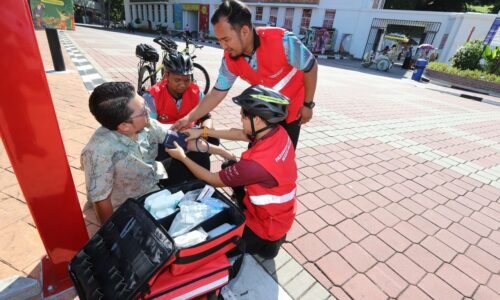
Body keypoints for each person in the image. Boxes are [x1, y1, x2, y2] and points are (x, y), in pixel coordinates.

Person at [167, 85, 297, 259]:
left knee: (217, 248)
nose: (240, 117)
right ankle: (270, 241)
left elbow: (213, 179)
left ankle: (268, 244)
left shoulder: (255, 164)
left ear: (257, 119)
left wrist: (183, 157)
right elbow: (240, 134)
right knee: (230, 167)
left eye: (243, 115)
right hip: (282, 212)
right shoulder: (278, 132)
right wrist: (201, 131)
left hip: (266, 225)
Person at [81, 82, 234, 224]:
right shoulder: (98, 151)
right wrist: (112, 232)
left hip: (153, 180)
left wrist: (219, 151)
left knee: (199, 155)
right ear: (124, 126)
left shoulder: (148, 124)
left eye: (145, 105)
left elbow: (180, 141)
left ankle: (200, 198)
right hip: (129, 203)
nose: (149, 110)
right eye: (143, 111)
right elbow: (101, 200)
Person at [172, 0, 318, 149]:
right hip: (262, 114)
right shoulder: (229, 59)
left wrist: (308, 104)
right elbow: (217, 92)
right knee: (256, 157)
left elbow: (311, 67)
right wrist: (189, 118)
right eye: (219, 40)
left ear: (245, 31)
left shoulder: (283, 42)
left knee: (283, 155)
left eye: (226, 39)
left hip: (292, 109)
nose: (223, 46)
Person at [142, 51, 234, 185]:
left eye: (187, 79)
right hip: (164, 140)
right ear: (166, 75)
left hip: (191, 137)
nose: (183, 85)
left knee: (211, 138)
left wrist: (205, 128)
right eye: (177, 80)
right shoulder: (152, 96)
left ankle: (199, 179)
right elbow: (152, 130)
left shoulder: (196, 92)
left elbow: (206, 116)